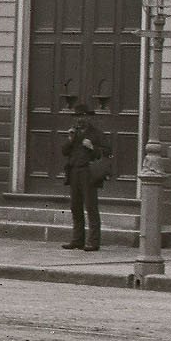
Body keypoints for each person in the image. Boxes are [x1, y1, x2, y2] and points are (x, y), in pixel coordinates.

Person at [60, 94, 111, 251]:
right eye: (77, 117)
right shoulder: (73, 134)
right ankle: (77, 240)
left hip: (89, 173)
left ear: (88, 118)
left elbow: (107, 152)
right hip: (74, 172)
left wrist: (92, 148)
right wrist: (69, 139)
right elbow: (64, 151)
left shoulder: (96, 134)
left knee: (91, 207)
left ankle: (93, 241)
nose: (79, 120)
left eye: (82, 117)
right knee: (75, 207)